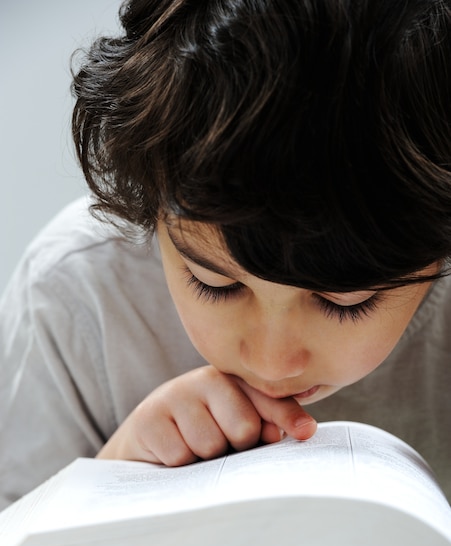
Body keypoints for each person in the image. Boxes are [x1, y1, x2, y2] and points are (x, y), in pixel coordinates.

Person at [1, 0, 450, 511]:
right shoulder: (79, 294)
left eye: (346, 302)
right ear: (152, 204)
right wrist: (113, 476)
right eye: (214, 284)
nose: (272, 364)